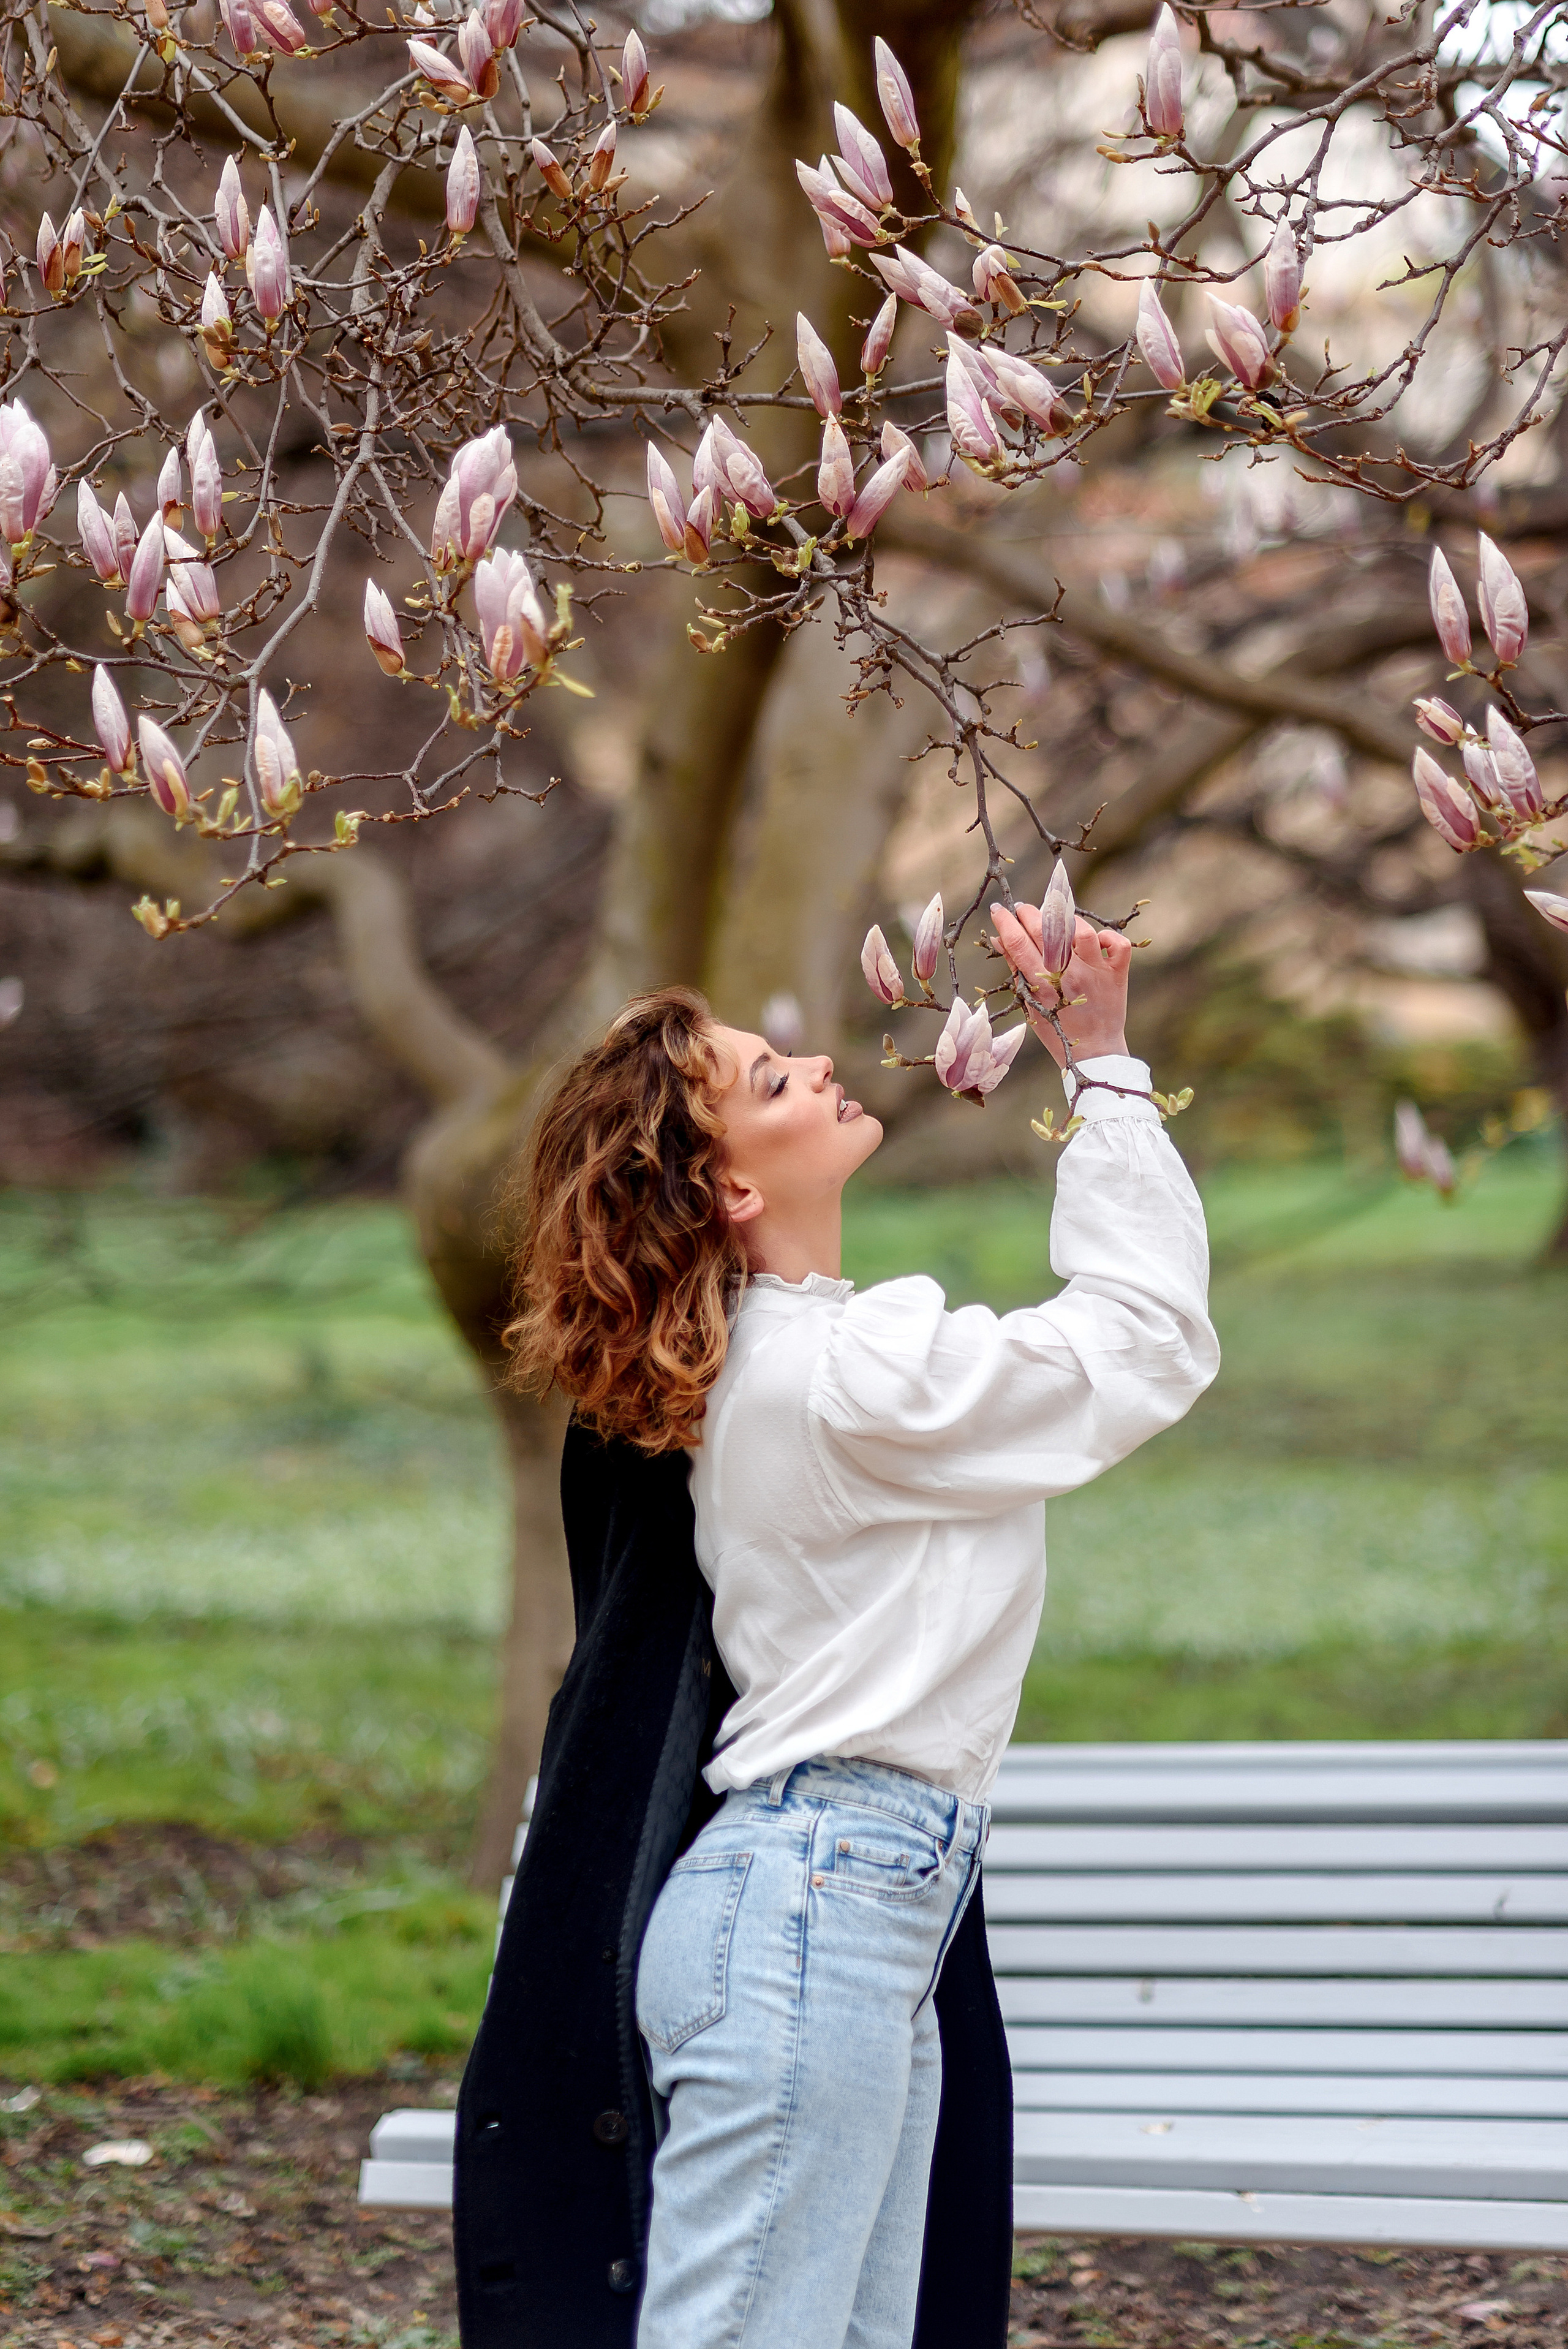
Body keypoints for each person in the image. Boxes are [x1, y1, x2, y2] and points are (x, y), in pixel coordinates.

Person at [452, 904, 1218, 2349]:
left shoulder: (782, 1363)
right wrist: (1102, 1066)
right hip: (817, 1913)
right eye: (764, 1081)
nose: (808, 1068)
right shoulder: (841, 1373)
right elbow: (1143, 1342)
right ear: (728, 1192)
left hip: (844, 1910)